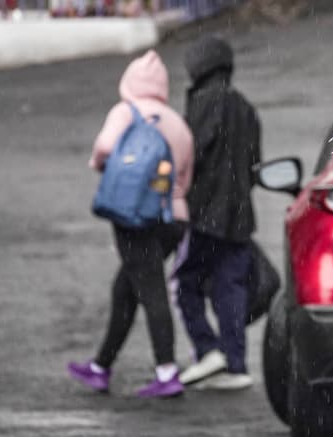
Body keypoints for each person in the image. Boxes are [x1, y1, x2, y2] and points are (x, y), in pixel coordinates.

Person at [67, 50, 194, 398]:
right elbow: (185, 176)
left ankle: (167, 372)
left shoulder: (126, 111)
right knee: (126, 288)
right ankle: (100, 367)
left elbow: (105, 147)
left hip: (134, 216)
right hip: (172, 219)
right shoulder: (177, 123)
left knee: (150, 289)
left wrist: (103, 165)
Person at [174, 35, 261, 390]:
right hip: (239, 216)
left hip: (206, 212)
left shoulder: (204, 102)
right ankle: (235, 364)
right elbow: (255, 162)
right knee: (231, 288)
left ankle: (208, 349)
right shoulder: (245, 107)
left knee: (186, 284)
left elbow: (190, 153)